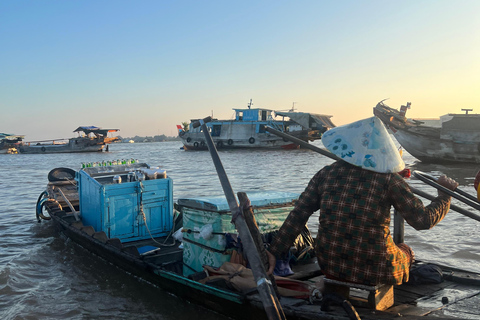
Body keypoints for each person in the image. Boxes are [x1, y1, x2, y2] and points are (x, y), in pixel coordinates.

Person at [267, 117, 458, 286]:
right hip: (377, 269)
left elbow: (298, 215)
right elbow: (422, 221)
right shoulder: (390, 180)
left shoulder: (325, 174)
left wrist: (274, 251)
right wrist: (444, 196)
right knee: (406, 251)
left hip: (331, 264)